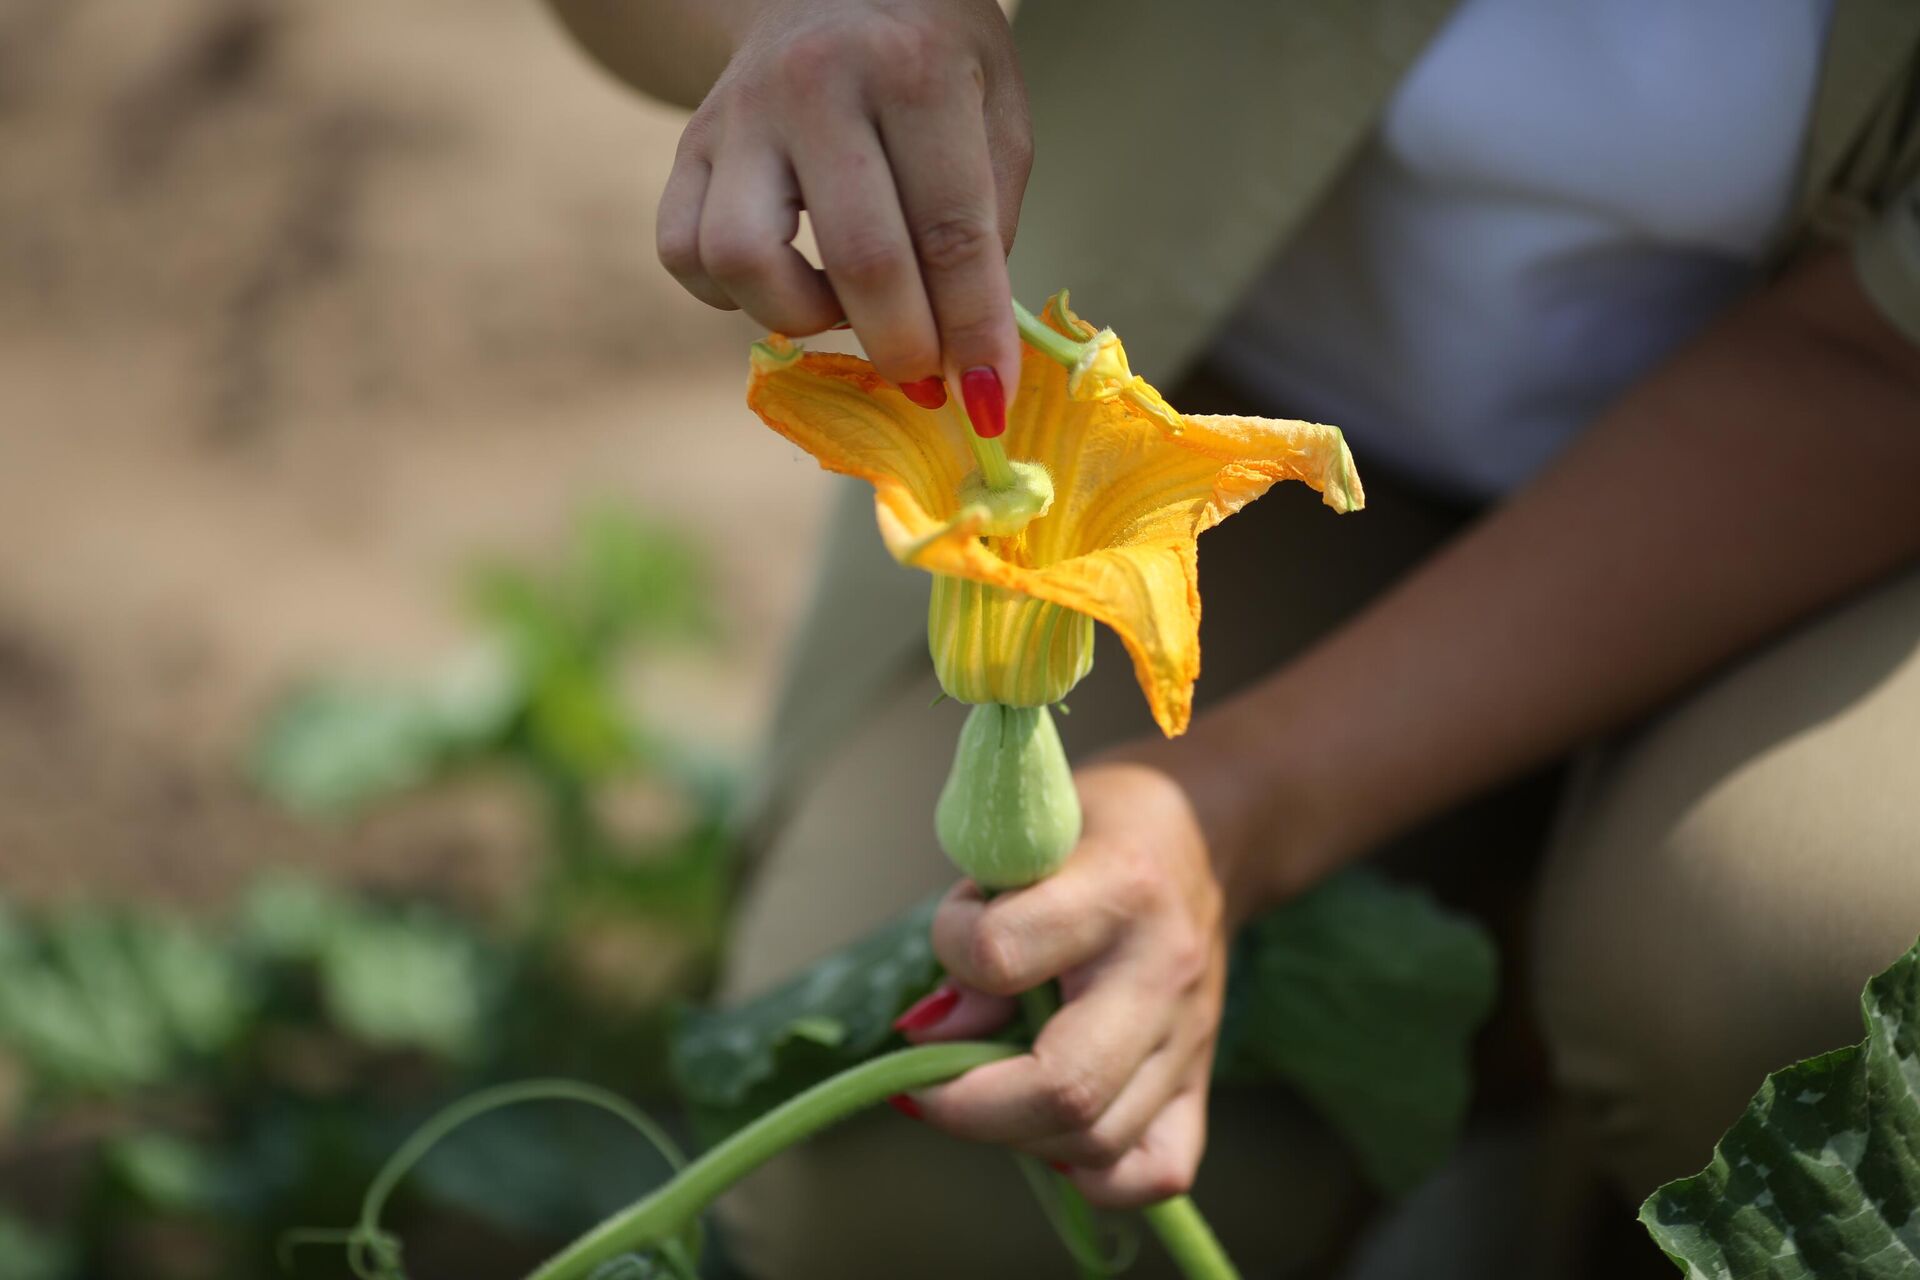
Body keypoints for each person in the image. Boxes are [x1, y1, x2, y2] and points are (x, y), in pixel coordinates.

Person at [545, 1, 1920, 1275]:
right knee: (899, 1180)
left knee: (1806, 980)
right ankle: (1500, 1070)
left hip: (1847, 492)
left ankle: (1570, 1128)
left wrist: (1236, 803)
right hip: (1261, 401)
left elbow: (1885, 365)